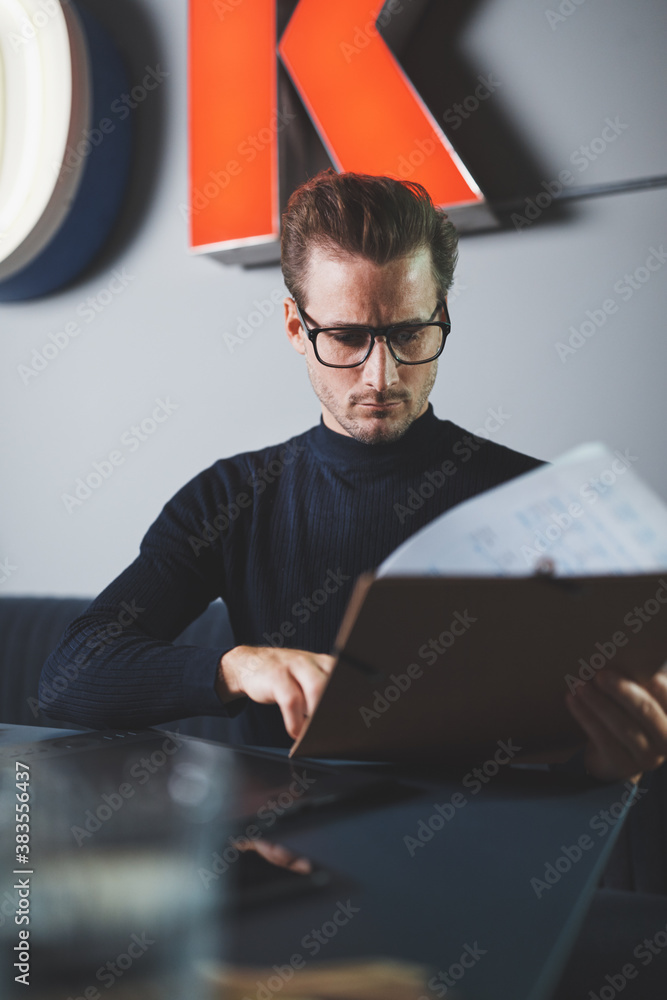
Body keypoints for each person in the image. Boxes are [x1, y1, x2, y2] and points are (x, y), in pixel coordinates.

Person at [40, 170, 667, 784]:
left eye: (408, 333)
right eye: (344, 337)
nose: (381, 377)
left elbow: (585, 740)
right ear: (296, 327)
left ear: (442, 314)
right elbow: (68, 677)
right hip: (292, 861)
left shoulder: (548, 501)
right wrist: (235, 668)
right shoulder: (230, 500)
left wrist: (607, 762)